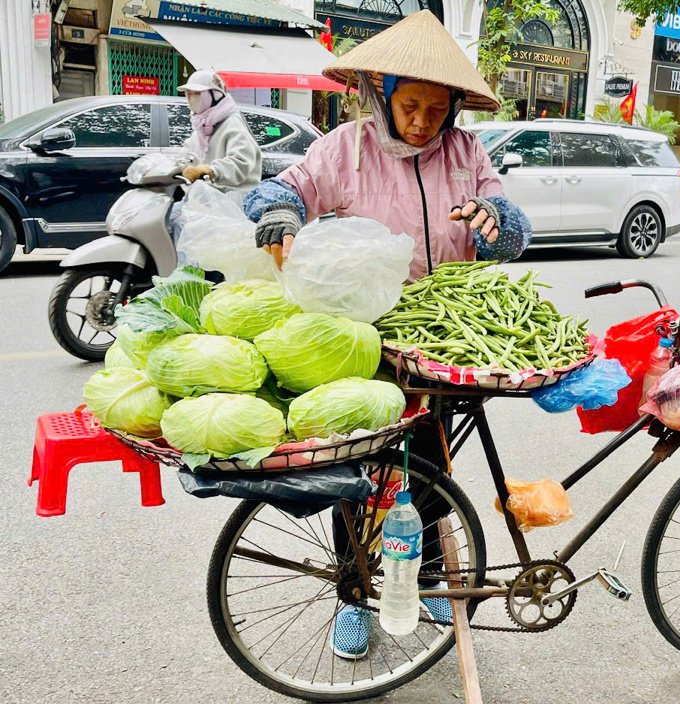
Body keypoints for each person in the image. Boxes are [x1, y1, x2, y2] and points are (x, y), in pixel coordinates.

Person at [242, 10, 532, 661]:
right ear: (382, 92)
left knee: (426, 472)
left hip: (441, 343)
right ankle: (354, 594)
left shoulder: (466, 152)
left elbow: (511, 226)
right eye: (411, 105)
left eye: (437, 108)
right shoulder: (343, 148)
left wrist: (498, 222)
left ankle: (423, 576)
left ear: (455, 106)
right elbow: (281, 191)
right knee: (365, 474)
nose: (424, 121)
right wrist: (279, 214)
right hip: (362, 343)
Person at [168, 70, 262, 247]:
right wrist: (172, 167)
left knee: (186, 228)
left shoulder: (232, 125)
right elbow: (187, 155)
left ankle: (192, 273)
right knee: (168, 216)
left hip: (229, 202)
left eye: (197, 94)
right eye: (188, 94)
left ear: (214, 95)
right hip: (205, 200)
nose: (190, 98)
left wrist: (211, 170)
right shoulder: (202, 125)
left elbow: (240, 162)